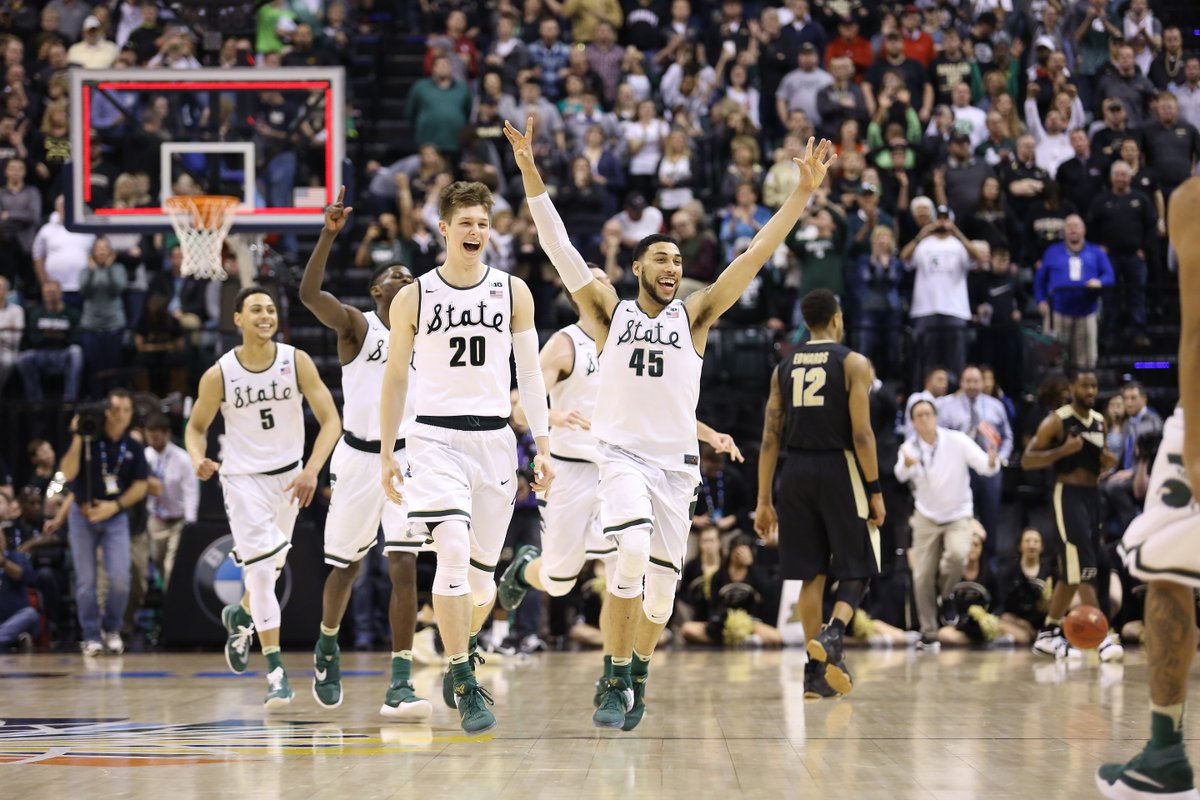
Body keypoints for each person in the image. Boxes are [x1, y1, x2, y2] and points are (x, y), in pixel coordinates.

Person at [505, 117, 835, 727]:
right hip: (621, 458)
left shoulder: (696, 315)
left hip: (677, 468)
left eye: (678, 260)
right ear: (637, 268)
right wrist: (530, 174)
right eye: (660, 258)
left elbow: (755, 254)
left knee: (660, 597)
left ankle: (637, 672)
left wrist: (801, 194)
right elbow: (559, 247)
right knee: (627, 552)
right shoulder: (610, 314)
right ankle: (613, 677)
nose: (672, 267)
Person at [377, 179, 555, 735]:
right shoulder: (414, 296)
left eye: (483, 222)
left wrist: (543, 445)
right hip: (433, 440)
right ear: (444, 229)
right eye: (466, 223)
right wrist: (387, 449)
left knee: (480, 585)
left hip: (495, 442)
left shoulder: (513, 291)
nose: (476, 231)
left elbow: (530, 374)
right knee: (450, 552)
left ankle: (461, 645)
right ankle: (463, 678)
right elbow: (396, 377)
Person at [498, 266, 743, 661]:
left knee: (625, 568)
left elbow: (659, 407)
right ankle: (526, 568)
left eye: (608, 280)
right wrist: (556, 416)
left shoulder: (628, 338)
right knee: (559, 580)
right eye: (597, 280)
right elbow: (518, 408)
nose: (607, 285)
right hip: (570, 470)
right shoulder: (565, 344)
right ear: (578, 292)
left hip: (618, 467)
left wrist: (709, 434)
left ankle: (615, 670)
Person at [297, 189, 431, 720]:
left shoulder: (428, 335)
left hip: (408, 459)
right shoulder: (358, 326)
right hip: (357, 458)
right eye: (396, 275)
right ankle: (327, 643)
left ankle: (400, 680)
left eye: (411, 276)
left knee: (404, 566)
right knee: (346, 567)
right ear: (377, 290)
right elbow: (309, 294)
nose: (406, 280)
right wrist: (328, 236)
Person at [184, 286, 342, 709]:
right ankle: (275, 673)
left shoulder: (296, 361)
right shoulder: (219, 374)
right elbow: (195, 427)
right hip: (242, 480)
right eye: (256, 309)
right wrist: (197, 458)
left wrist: (311, 470)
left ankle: (240, 616)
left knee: (269, 572)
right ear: (237, 319)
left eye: (270, 309)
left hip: (289, 479)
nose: (265, 315)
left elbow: (331, 421)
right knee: (258, 574)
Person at [1098, 175, 1200, 799]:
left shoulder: (1191, 201)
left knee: (1163, 564)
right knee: (1163, 565)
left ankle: (1165, 750)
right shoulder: (1189, 201)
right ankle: (1163, 752)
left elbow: (1196, 331)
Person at [755, 288, 886, 696]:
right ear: (836, 319)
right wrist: (875, 490)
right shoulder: (853, 362)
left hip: (794, 472)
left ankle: (815, 674)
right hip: (839, 467)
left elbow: (769, 438)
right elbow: (862, 434)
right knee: (860, 562)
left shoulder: (783, 367)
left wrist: (763, 500)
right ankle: (833, 634)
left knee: (810, 576)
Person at [1021, 368, 1122, 661]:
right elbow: (1027, 460)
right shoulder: (1057, 420)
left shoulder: (1100, 421)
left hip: (1093, 496)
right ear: (1073, 388)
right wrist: (1062, 451)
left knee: (1072, 573)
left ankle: (1047, 633)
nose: (1090, 391)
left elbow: (1101, 461)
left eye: (1094, 386)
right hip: (1067, 495)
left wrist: (1107, 462)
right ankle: (1103, 637)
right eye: (1085, 386)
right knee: (1085, 567)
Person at [896, 399, 998, 643]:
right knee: (921, 576)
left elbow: (985, 467)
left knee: (957, 554)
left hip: (958, 513)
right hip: (926, 516)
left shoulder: (957, 440)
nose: (924, 419)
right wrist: (907, 466)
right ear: (913, 422)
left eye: (928, 414)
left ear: (936, 416)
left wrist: (992, 459)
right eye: (919, 415)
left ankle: (946, 594)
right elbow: (900, 474)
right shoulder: (908, 447)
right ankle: (929, 631)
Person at [58, 388, 148, 656]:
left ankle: (111, 628)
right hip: (82, 515)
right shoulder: (89, 439)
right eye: (116, 409)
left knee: (120, 578)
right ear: (106, 412)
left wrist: (115, 506)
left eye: (126, 410)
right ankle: (90, 636)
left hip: (114, 516)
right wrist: (78, 436)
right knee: (86, 581)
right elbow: (67, 473)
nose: (121, 415)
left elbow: (141, 485)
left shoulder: (133, 446)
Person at [935, 365, 1013, 559]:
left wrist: (1001, 458)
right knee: (962, 518)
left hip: (990, 468)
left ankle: (989, 564)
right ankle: (963, 563)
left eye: (976, 381)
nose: (972, 385)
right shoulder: (948, 406)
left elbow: (1008, 436)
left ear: (982, 382)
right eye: (968, 381)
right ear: (961, 383)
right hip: (961, 470)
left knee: (990, 517)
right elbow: (940, 439)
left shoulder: (995, 405)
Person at [900, 205, 980, 384]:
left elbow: (977, 257)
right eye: (939, 218)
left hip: (955, 310)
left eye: (946, 218)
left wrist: (957, 232)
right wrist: (921, 235)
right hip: (925, 310)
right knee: (925, 363)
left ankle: (957, 394)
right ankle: (923, 395)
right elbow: (904, 258)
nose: (942, 222)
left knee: (956, 363)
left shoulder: (959, 245)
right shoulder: (923, 244)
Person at [1035, 215, 1115, 371]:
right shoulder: (1052, 252)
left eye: (1077, 226)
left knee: (1086, 363)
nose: (1073, 229)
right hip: (1057, 314)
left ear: (1084, 230)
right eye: (1069, 226)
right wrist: (1040, 301)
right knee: (1054, 363)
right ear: (1063, 231)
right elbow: (1040, 280)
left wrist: (1100, 282)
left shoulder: (1096, 252)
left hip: (1086, 314)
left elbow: (1109, 276)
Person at [142, 413, 196, 593]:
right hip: (155, 519)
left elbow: (191, 492)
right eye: (149, 437)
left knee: (171, 566)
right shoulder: (144, 456)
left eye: (156, 437)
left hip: (178, 521)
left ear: (167, 434)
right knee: (159, 561)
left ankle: (172, 602)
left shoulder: (182, 458)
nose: (153, 441)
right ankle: (168, 597)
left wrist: (190, 523)